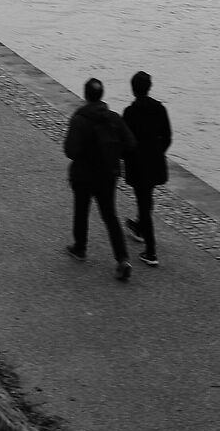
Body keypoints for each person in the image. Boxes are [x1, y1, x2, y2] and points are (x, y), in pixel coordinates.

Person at [63, 77, 134, 280]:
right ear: (102, 95)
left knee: (81, 210)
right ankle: (122, 258)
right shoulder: (114, 118)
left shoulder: (79, 119)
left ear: (85, 95)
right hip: (107, 176)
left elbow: (70, 151)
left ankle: (80, 248)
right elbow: (130, 144)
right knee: (110, 216)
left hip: (83, 175)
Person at [122, 71, 174, 268]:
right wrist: (158, 153)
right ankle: (139, 227)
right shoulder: (159, 109)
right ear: (149, 87)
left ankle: (151, 252)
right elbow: (168, 136)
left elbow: (125, 141)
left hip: (137, 164)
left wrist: (126, 158)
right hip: (155, 163)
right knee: (147, 197)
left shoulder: (130, 112)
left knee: (143, 203)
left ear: (133, 89)